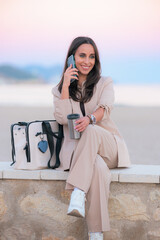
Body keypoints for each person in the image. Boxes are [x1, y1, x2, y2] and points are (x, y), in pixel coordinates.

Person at [52, 36, 131, 240]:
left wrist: (90, 119)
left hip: (109, 147)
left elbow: (105, 108)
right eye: (82, 56)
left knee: (92, 130)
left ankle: (78, 191)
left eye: (92, 57)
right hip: (84, 155)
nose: (87, 61)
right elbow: (61, 118)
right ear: (72, 58)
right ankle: (96, 234)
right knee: (97, 169)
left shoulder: (105, 83)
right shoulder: (60, 89)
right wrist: (65, 87)